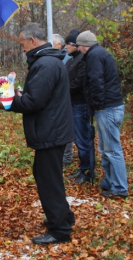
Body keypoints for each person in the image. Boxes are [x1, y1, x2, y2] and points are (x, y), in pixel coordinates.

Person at [9, 23, 75, 244]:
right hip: (53, 129)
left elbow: (33, 101)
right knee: (46, 175)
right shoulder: (47, 62)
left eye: (22, 44)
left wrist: (6, 104)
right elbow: (39, 95)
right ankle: (63, 217)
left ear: (32, 41)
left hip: (51, 131)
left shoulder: (45, 65)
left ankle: (60, 230)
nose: (23, 49)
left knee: (49, 180)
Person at [77, 31, 128, 198]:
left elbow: (96, 81)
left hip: (107, 108)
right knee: (106, 148)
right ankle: (110, 181)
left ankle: (119, 188)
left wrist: (97, 105)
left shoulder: (94, 56)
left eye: (78, 46)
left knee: (112, 149)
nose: (78, 49)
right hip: (110, 107)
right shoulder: (99, 53)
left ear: (84, 46)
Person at [64, 29, 96, 184]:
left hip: (81, 105)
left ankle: (88, 172)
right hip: (72, 104)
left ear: (76, 45)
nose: (65, 47)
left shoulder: (82, 60)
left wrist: (63, 91)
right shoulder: (71, 60)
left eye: (68, 44)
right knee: (78, 139)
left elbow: (78, 82)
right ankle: (83, 168)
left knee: (83, 140)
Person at [53, 33, 73, 166]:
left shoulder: (66, 58)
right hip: (58, 99)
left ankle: (67, 157)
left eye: (52, 44)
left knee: (66, 127)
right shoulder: (58, 57)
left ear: (59, 45)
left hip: (68, 99)